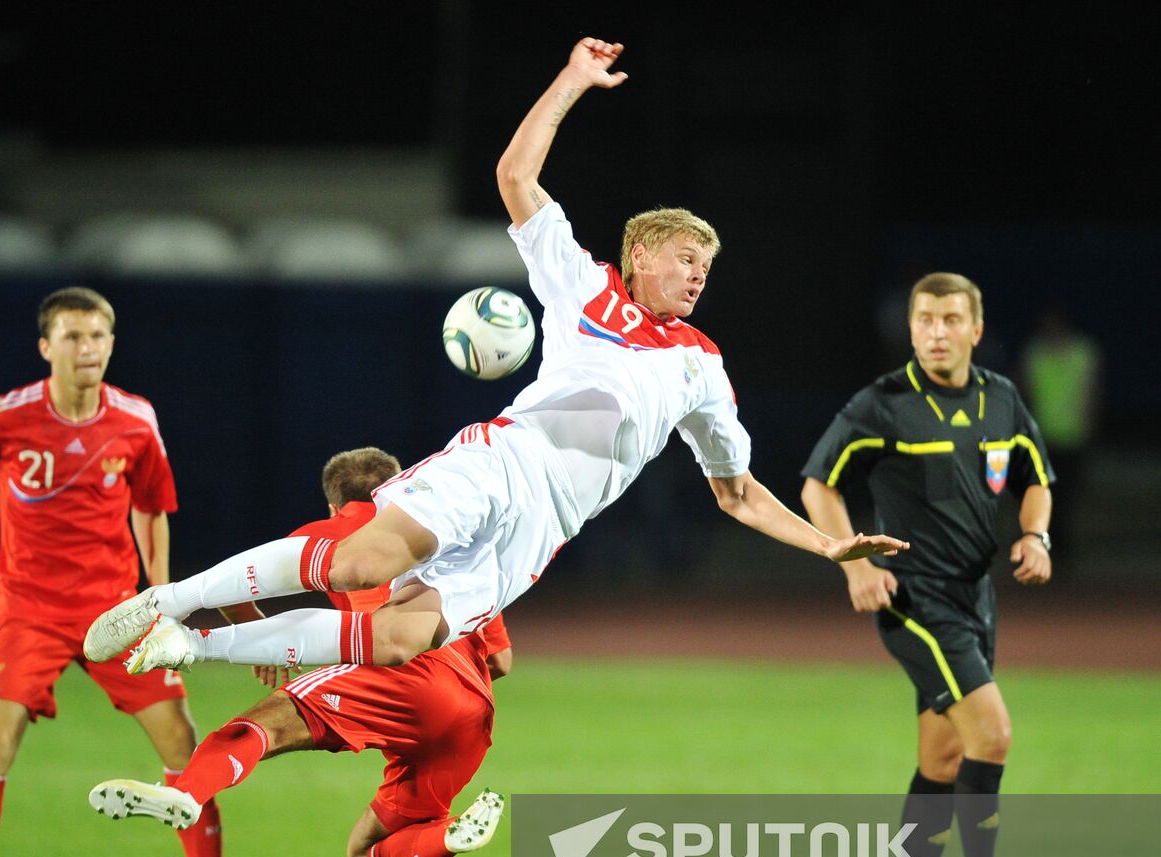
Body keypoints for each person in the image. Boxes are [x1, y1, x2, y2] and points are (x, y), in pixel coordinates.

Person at [82, 37, 905, 683]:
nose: (698, 274)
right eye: (686, 257)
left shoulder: (702, 369)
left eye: (707, 266)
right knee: (365, 561)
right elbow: (516, 174)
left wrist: (826, 549)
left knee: (399, 640)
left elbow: (737, 492)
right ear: (641, 253)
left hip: (543, 529)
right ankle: (170, 600)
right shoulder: (584, 286)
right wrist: (573, 80)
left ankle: (191, 645)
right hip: (504, 464)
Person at [0, 287, 257, 857]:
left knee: (182, 743)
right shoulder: (7, 416)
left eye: (98, 337)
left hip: (116, 611)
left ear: (111, 344)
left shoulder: (136, 420)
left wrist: (161, 599)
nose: (87, 349)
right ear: (45, 347)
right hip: (27, 612)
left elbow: (152, 504)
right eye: (73, 337)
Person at [86, 447, 511, 857]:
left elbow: (239, 583)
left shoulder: (333, 532)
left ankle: (188, 793)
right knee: (365, 852)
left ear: (332, 506)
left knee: (268, 722)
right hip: (472, 714)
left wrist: (263, 638)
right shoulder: (453, 540)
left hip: (400, 672)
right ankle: (447, 836)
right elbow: (501, 660)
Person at [800, 272, 1054, 857]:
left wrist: (1035, 535)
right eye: (924, 320)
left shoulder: (1001, 398)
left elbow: (1034, 478)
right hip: (913, 599)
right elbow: (818, 485)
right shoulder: (882, 403)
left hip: (976, 599)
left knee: (942, 758)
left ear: (975, 329)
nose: (936, 333)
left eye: (950, 320)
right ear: (910, 329)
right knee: (992, 735)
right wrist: (854, 563)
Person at [1018, 305, 1101, 569]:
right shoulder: (1035, 353)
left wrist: (1090, 426)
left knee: (1069, 496)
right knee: (1041, 495)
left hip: (1074, 437)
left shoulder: (1082, 352)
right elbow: (1023, 389)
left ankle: (1064, 553)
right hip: (1043, 438)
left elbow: (1092, 391)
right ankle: (1043, 547)